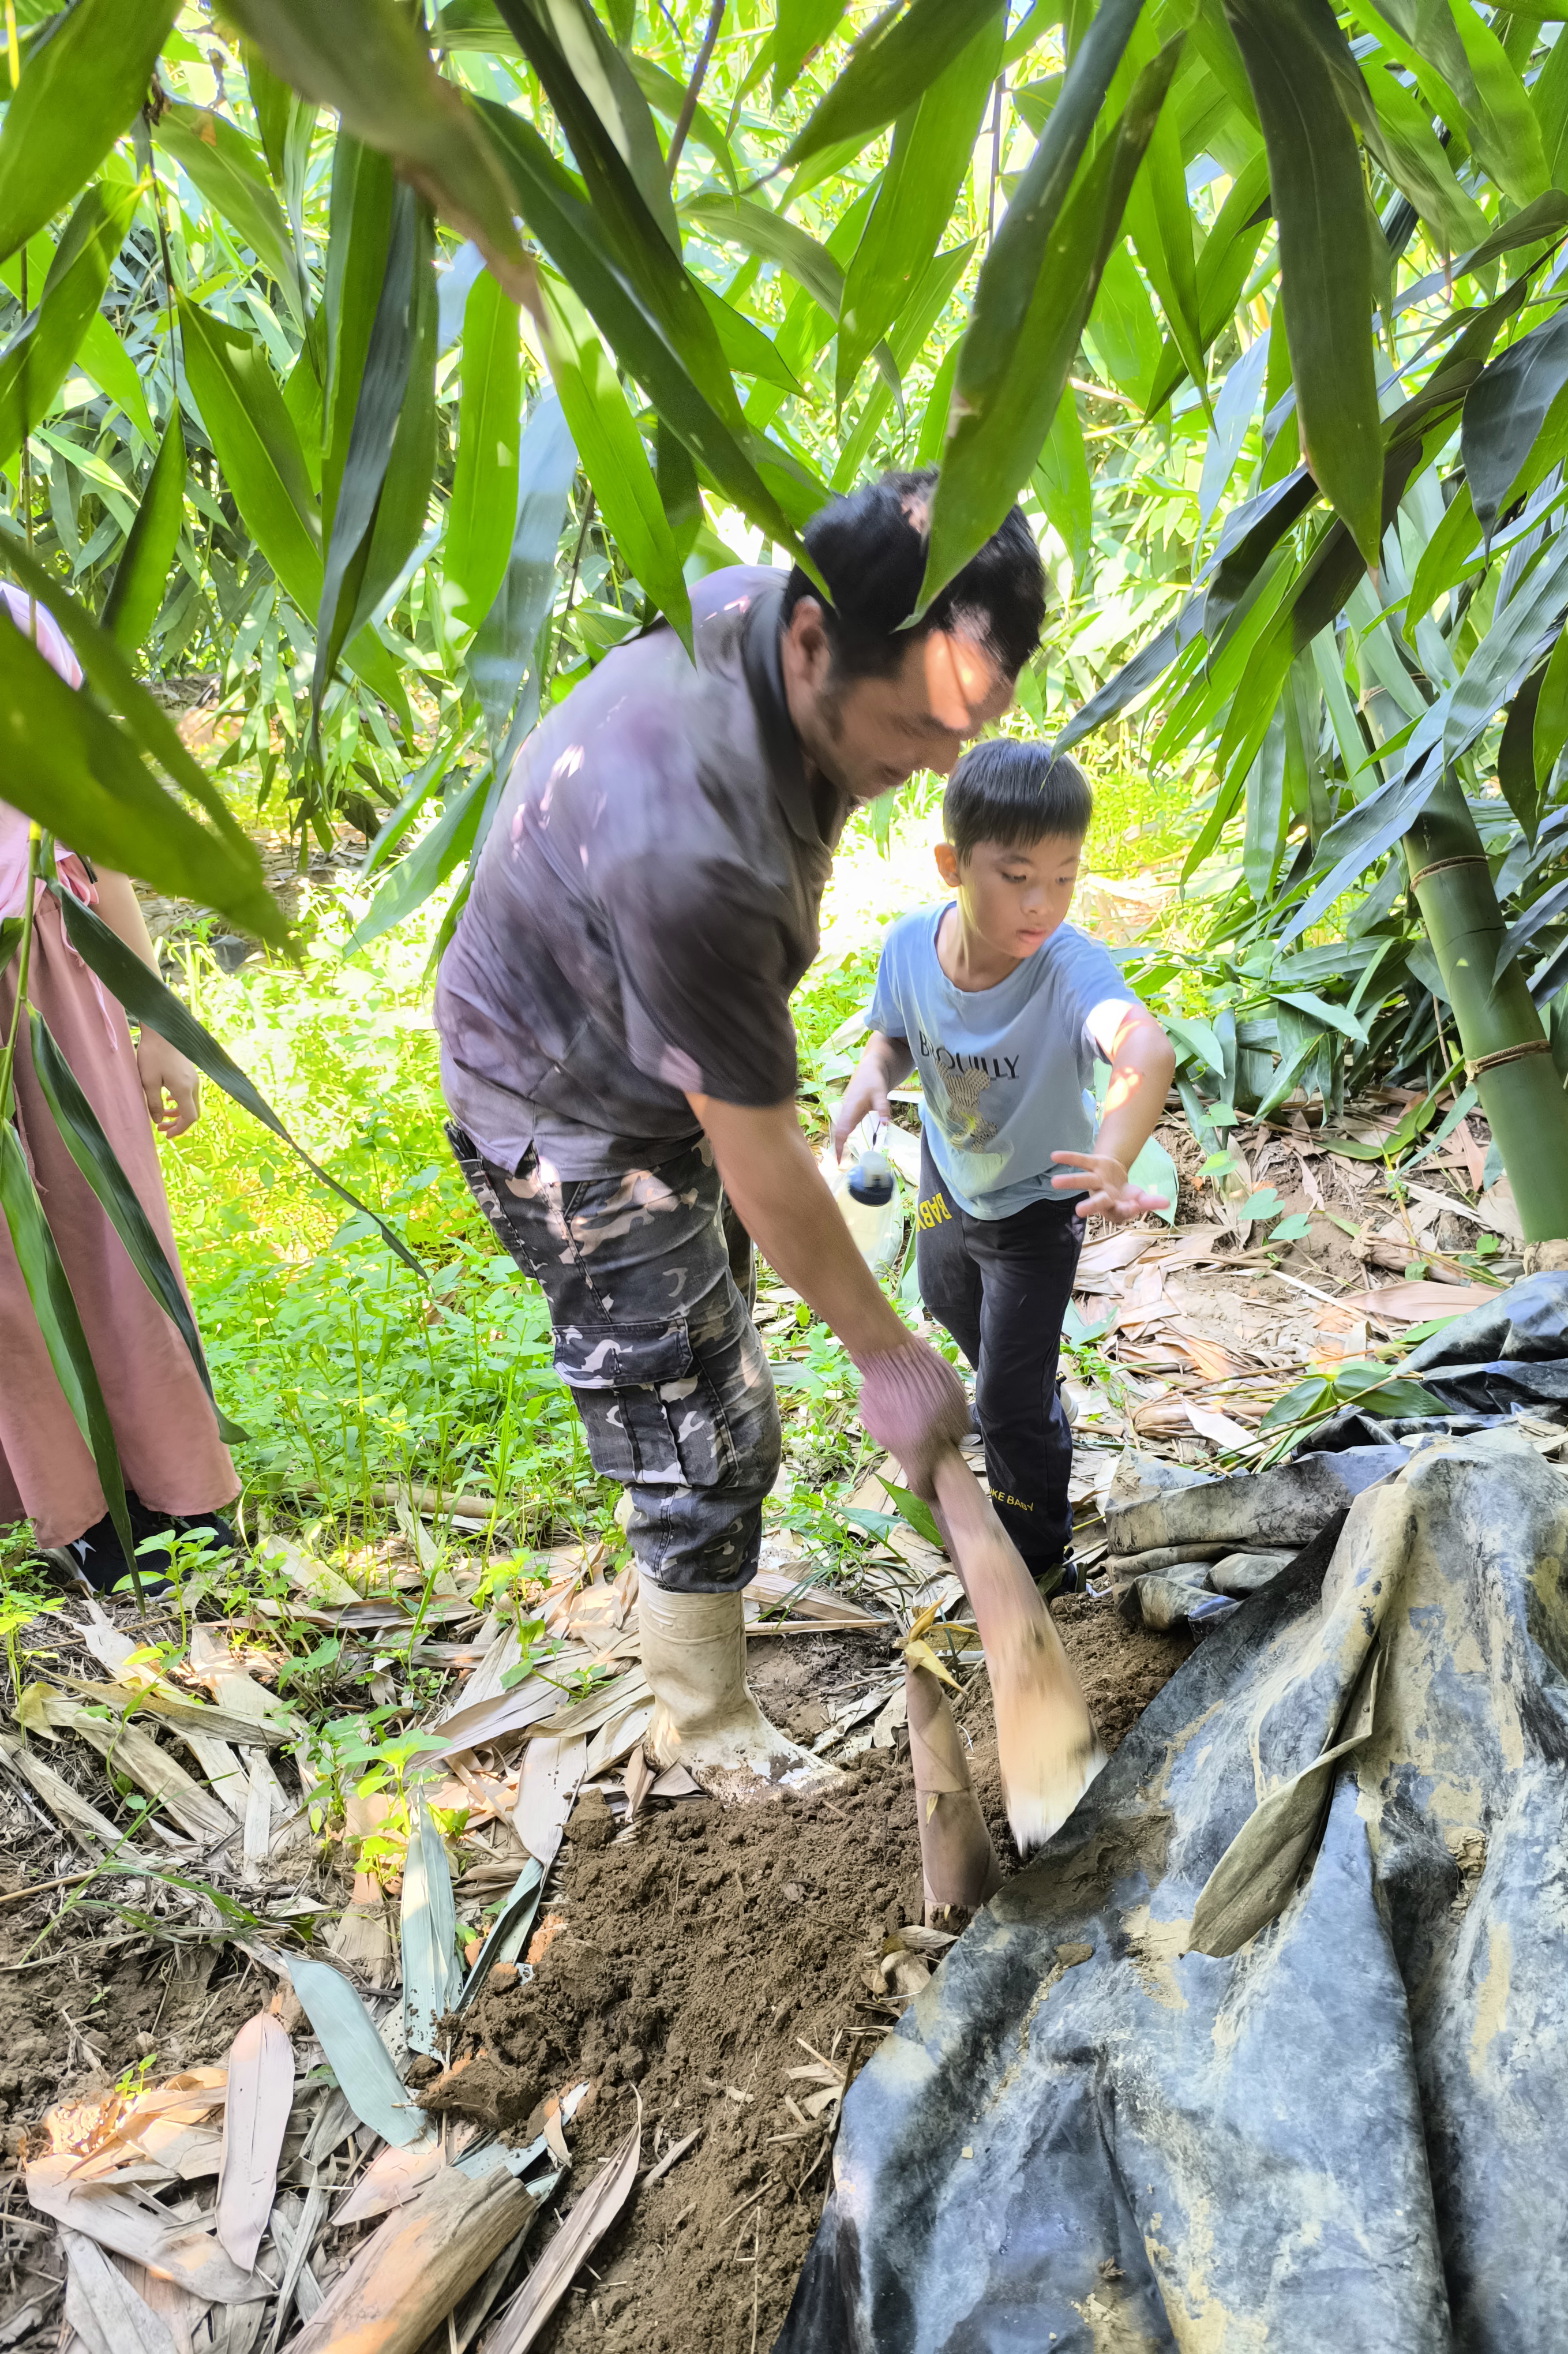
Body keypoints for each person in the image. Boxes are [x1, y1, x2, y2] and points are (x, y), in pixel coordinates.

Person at [434, 470, 1045, 1803]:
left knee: (719, 1339)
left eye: (974, 727)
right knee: (698, 1418)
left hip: (637, 1043)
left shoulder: (767, 630)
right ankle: (701, 1721)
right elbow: (765, 1159)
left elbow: (748, 1152)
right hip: (567, 1117)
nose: (944, 764)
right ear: (816, 642)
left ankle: (703, 1648)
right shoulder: (693, 844)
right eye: (920, 725)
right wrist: (893, 1362)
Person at [832, 740, 1177, 1592]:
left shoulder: (1066, 967)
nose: (1043, 904)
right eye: (1018, 876)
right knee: (946, 1293)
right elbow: (897, 1032)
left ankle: (1040, 1561)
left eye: (1064, 877)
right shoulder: (910, 945)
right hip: (947, 1187)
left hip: (1036, 1211)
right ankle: (1018, 1391)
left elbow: (1141, 1046)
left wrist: (1113, 1153)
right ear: (952, 863)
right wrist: (872, 1077)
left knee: (1007, 1405)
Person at [0, 584, 239, 1587]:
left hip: (50, 958)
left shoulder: (16, 615)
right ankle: (69, 1513)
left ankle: (175, 1493)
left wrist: (159, 1022)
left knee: (109, 1223)